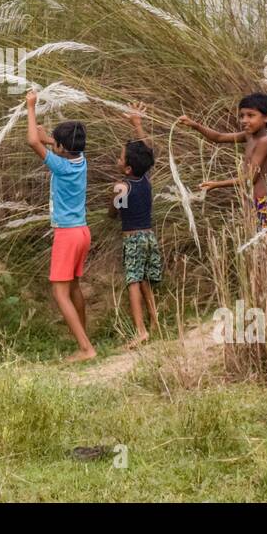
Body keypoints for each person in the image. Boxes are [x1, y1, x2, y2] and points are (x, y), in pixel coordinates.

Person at [24, 90, 96, 362]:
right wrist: (51, 138)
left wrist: (31, 106)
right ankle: (83, 338)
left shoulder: (61, 167)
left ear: (62, 150)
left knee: (60, 292)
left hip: (67, 235)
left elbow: (32, 139)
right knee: (74, 286)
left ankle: (86, 349)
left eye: (56, 145)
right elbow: (51, 140)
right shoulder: (80, 160)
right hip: (82, 232)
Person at [179, 92, 267, 228]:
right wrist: (195, 125)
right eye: (242, 116)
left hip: (262, 202)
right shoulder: (249, 136)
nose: (244, 120)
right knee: (254, 241)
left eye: (250, 115)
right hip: (250, 201)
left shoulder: (265, 141)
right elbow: (219, 137)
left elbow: (250, 178)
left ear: (266, 118)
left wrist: (216, 184)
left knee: (265, 243)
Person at [108, 102, 161, 349]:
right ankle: (155, 322)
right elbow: (148, 152)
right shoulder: (146, 179)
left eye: (121, 157)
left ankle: (140, 331)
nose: (118, 159)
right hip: (149, 236)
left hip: (133, 239)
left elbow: (113, 213)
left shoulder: (121, 187)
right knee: (145, 280)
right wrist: (138, 124)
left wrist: (111, 204)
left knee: (133, 281)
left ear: (127, 167)